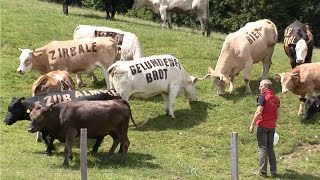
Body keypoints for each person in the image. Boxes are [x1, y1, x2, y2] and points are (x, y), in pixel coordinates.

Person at [249, 79, 280, 178]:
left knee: (262, 148)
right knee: (270, 148)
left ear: (266, 87)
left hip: (262, 125)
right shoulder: (276, 98)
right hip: (271, 126)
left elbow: (258, 112)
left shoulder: (263, 97)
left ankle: (263, 172)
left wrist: (252, 124)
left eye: (261, 86)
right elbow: (277, 113)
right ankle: (273, 171)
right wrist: (274, 122)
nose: (259, 88)